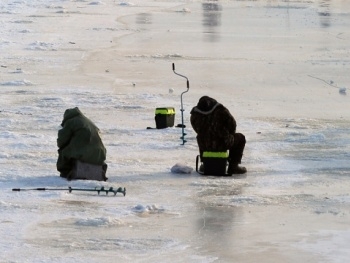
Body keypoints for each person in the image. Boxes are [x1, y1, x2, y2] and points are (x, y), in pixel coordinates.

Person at [190, 96, 247, 175]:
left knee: (202, 137)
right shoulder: (221, 110)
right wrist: (229, 134)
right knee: (240, 138)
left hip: (205, 144)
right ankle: (233, 166)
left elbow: (196, 129)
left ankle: (206, 164)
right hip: (223, 142)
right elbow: (232, 124)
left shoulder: (195, 114)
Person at [56, 107, 108, 180]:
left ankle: (66, 173)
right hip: (100, 154)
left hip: (83, 152)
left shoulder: (70, 122)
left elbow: (61, 141)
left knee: (64, 152)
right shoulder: (88, 122)